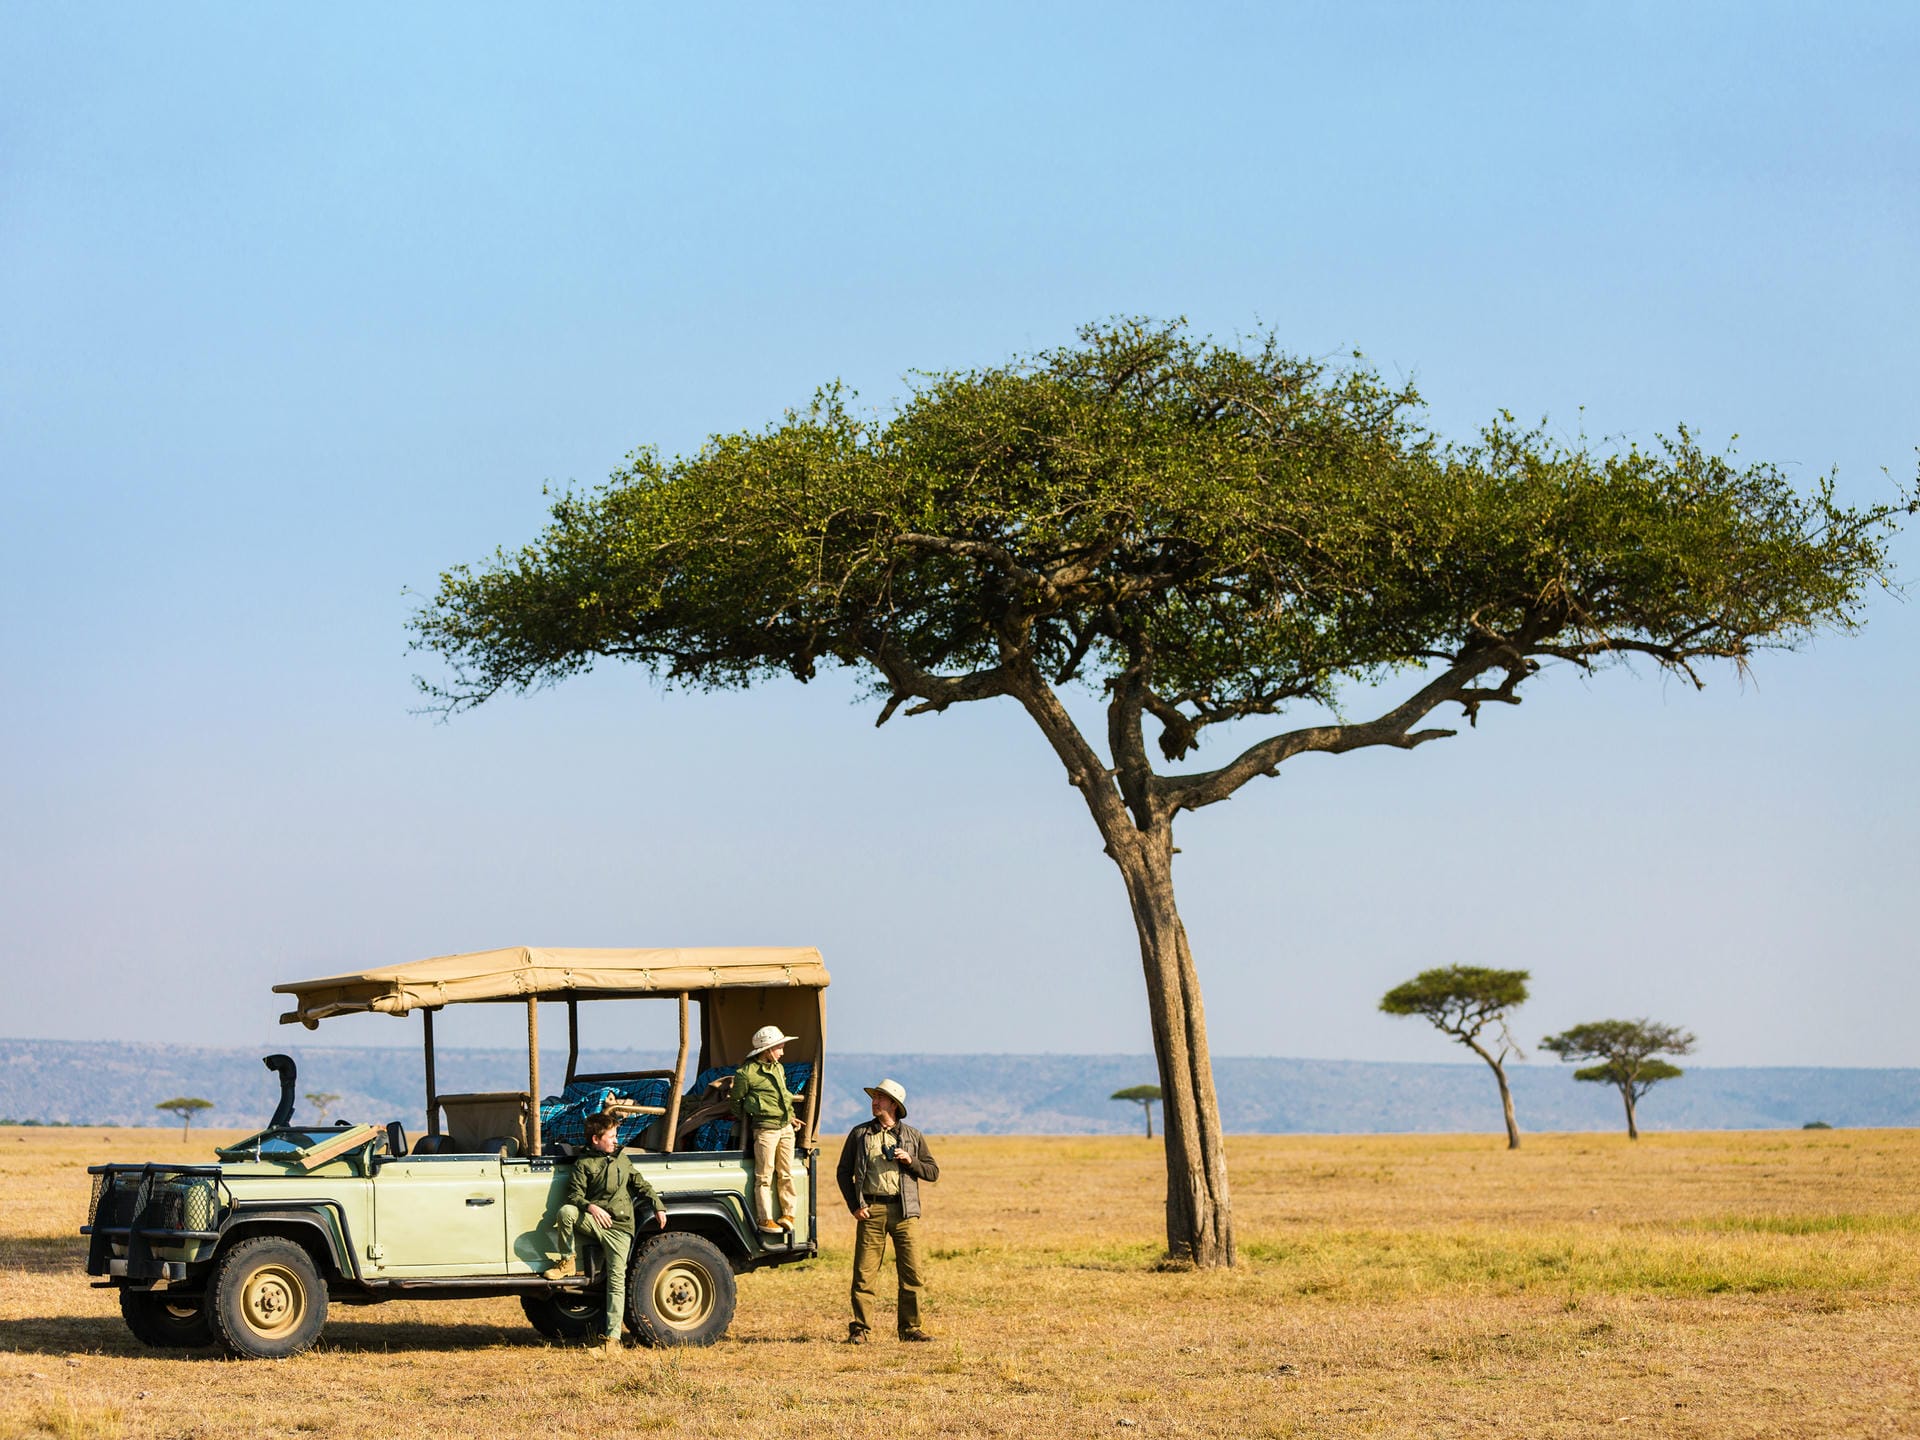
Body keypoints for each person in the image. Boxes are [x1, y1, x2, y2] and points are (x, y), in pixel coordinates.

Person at [543, 1110, 668, 1353]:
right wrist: (591, 1208)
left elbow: (640, 1184)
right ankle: (567, 1261)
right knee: (566, 1212)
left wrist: (658, 1207)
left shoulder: (623, 1159)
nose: (615, 1140)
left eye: (615, 1135)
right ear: (595, 1139)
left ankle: (612, 1343)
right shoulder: (584, 1163)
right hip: (596, 1222)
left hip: (620, 1228)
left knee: (616, 1282)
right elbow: (574, 1196)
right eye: (610, 1136)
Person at [835, 1077, 939, 1344]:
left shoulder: (912, 1136)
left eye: (879, 1098)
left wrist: (910, 1160)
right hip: (871, 1210)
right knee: (864, 1273)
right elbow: (844, 1172)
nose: (874, 1102)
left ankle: (910, 1329)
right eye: (874, 1097)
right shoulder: (860, 1134)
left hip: (905, 1212)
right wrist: (854, 1206)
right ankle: (860, 1329)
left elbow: (932, 1171)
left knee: (912, 1273)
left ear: (894, 1104)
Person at [731, 1024, 806, 1235]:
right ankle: (765, 1218)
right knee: (764, 1175)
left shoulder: (778, 1068)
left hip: (785, 1127)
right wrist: (752, 1114)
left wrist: (790, 1117)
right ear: (767, 1049)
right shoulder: (746, 1073)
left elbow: (783, 1095)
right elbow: (736, 1101)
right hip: (765, 1130)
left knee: (786, 1172)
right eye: (779, 1047)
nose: (782, 1052)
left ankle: (788, 1214)